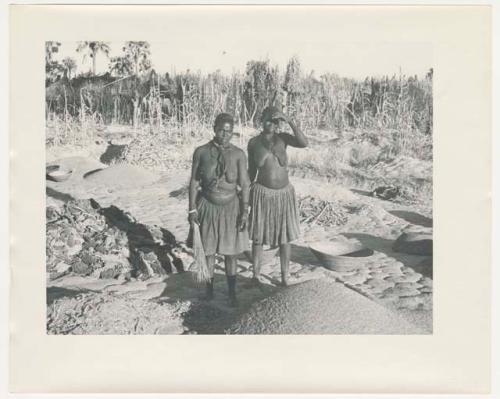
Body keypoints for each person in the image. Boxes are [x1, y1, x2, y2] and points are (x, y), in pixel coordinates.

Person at [188, 113, 250, 306]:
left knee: (231, 253)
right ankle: (209, 291)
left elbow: (245, 184)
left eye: (229, 131)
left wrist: (245, 210)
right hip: (207, 205)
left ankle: (232, 294)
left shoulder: (239, 154)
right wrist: (192, 210)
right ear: (214, 128)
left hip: (231, 208)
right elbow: (194, 182)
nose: (225, 134)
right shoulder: (201, 152)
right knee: (209, 252)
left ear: (233, 133)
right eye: (222, 130)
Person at [247, 106, 308, 286]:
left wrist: (288, 119)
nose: (272, 124)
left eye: (275, 121)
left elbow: (304, 143)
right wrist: (243, 193)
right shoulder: (253, 143)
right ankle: (256, 276)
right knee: (258, 237)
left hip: (284, 194)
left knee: (284, 237)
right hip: (262, 194)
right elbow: (251, 172)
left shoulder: (283, 138)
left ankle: (284, 277)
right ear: (260, 121)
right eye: (268, 120)